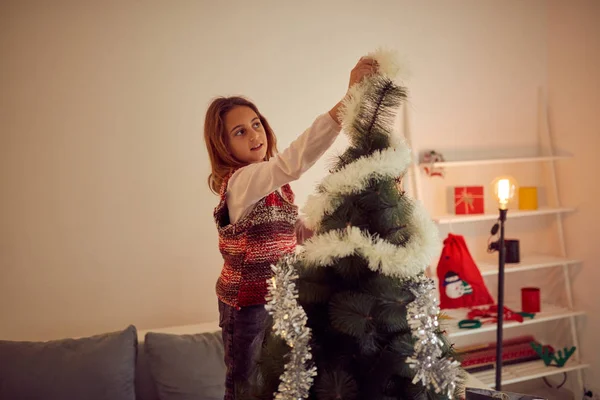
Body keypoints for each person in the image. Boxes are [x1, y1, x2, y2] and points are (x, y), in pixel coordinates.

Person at [203, 56, 378, 400]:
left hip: (280, 299)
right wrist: (348, 100)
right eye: (240, 132)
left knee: (279, 385)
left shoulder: (271, 184)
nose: (254, 135)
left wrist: (341, 229)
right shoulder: (243, 181)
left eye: (256, 124)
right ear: (224, 145)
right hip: (248, 306)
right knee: (246, 390)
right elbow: (293, 163)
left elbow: (290, 231)